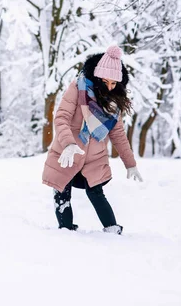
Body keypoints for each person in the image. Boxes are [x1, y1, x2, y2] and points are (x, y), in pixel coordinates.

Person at [42, 45, 143, 234]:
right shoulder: (77, 89)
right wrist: (69, 144)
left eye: (114, 83)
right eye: (105, 81)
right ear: (97, 76)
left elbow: (118, 134)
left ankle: (112, 228)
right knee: (61, 189)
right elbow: (61, 117)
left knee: (95, 192)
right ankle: (65, 231)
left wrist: (130, 163)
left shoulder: (113, 101)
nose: (109, 87)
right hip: (68, 150)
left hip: (94, 157)